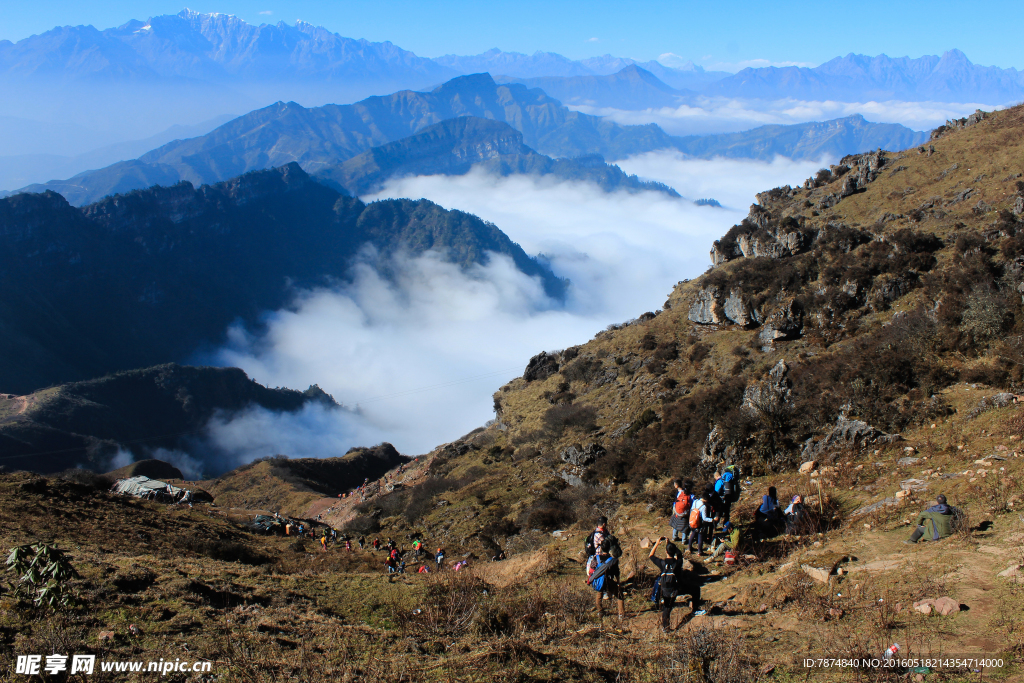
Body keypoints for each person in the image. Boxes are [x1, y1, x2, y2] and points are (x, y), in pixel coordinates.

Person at [648, 538, 701, 631]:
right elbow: (679, 553)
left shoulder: (662, 563)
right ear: (674, 552)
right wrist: (670, 544)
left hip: (665, 590)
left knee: (667, 608)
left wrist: (656, 544)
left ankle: (666, 627)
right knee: (696, 589)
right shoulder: (678, 562)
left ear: (666, 552)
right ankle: (695, 610)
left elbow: (651, 555)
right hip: (677, 588)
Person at [586, 539, 625, 620]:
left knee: (599, 595)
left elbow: (591, 569)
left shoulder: (596, 558)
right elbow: (616, 572)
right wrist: (618, 582)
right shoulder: (613, 560)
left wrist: (590, 579)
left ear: (601, 548)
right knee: (619, 595)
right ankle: (621, 614)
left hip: (599, 581)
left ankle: (600, 611)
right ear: (609, 548)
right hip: (609, 581)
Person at [687, 488, 715, 555]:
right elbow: (704, 518)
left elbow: (691, 510)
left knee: (692, 534)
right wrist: (712, 519)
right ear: (705, 499)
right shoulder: (703, 506)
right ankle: (700, 551)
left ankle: (689, 548)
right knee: (700, 536)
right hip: (699, 522)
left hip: (693, 520)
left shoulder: (695, 501)